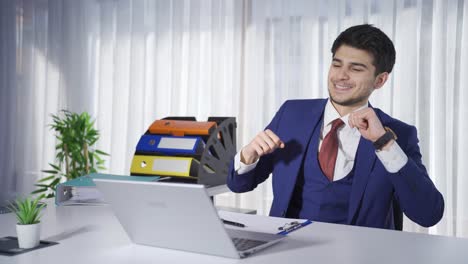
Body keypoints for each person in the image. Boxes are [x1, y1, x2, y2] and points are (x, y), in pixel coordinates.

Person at [227, 24, 444, 230]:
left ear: (380, 80)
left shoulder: (397, 135)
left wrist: (384, 143)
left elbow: (428, 214)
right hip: (286, 250)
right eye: (337, 64)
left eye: (356, 69)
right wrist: (248, 155)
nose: (341, 75)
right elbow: (239, 185)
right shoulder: (292, 114)